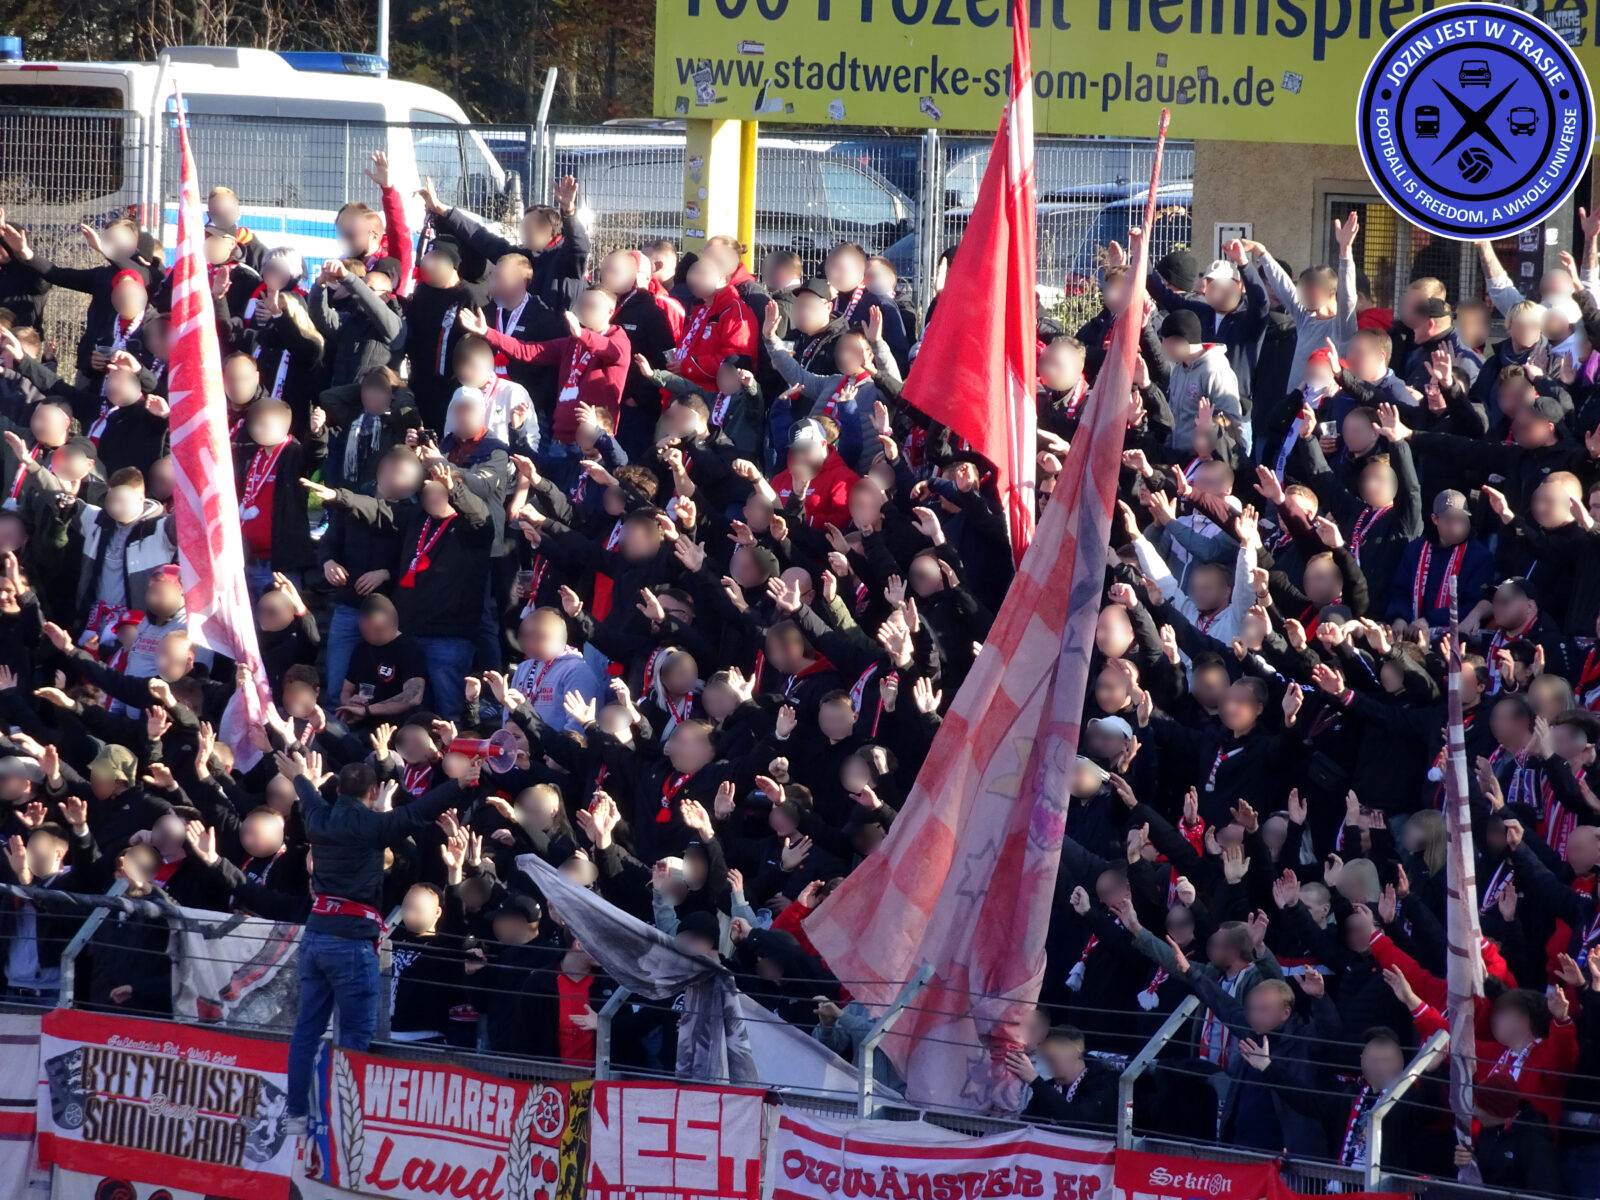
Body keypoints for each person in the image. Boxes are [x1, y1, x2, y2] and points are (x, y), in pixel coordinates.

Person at [280, 748, 475, 1131]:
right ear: (372, 795)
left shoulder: (318, 819)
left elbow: (310, 797)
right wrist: (460, 783)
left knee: (306, 1030)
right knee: (354, 1034)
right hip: (352, 942)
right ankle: (341, 1122)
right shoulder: (372, 826)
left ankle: (296, 1115)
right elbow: (418, 811)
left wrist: (300, 776)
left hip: (317, 934)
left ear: (338, 791)